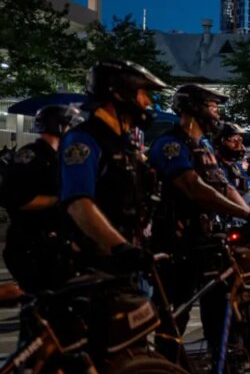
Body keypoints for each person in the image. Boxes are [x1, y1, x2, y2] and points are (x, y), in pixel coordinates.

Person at [148, 84, 250, 363]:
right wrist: (248, 215)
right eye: (213, 107)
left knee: (221, 302)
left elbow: (223, 186)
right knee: (177, 311)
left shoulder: (205, 147)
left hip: (206, 237)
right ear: (195, 108)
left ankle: (224, 363)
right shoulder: (170, 145)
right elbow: (195, 188)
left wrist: (249, 213)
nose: (217, 113)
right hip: (176, 240)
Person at [60, 60, 167, 274]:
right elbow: (79, 203)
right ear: (120, 94)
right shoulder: (85, 139)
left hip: (131, 256)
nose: (147, 101)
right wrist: (121, 248)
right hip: (98, 265)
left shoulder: (126, 143)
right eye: (143, 92)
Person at [1, 105, 82, 293]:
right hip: (32, 246)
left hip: (53, 245)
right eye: (69, 126)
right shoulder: (31, 156)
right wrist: (61, 200)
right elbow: (16, 199)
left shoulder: (57, 157)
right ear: (59, 127)